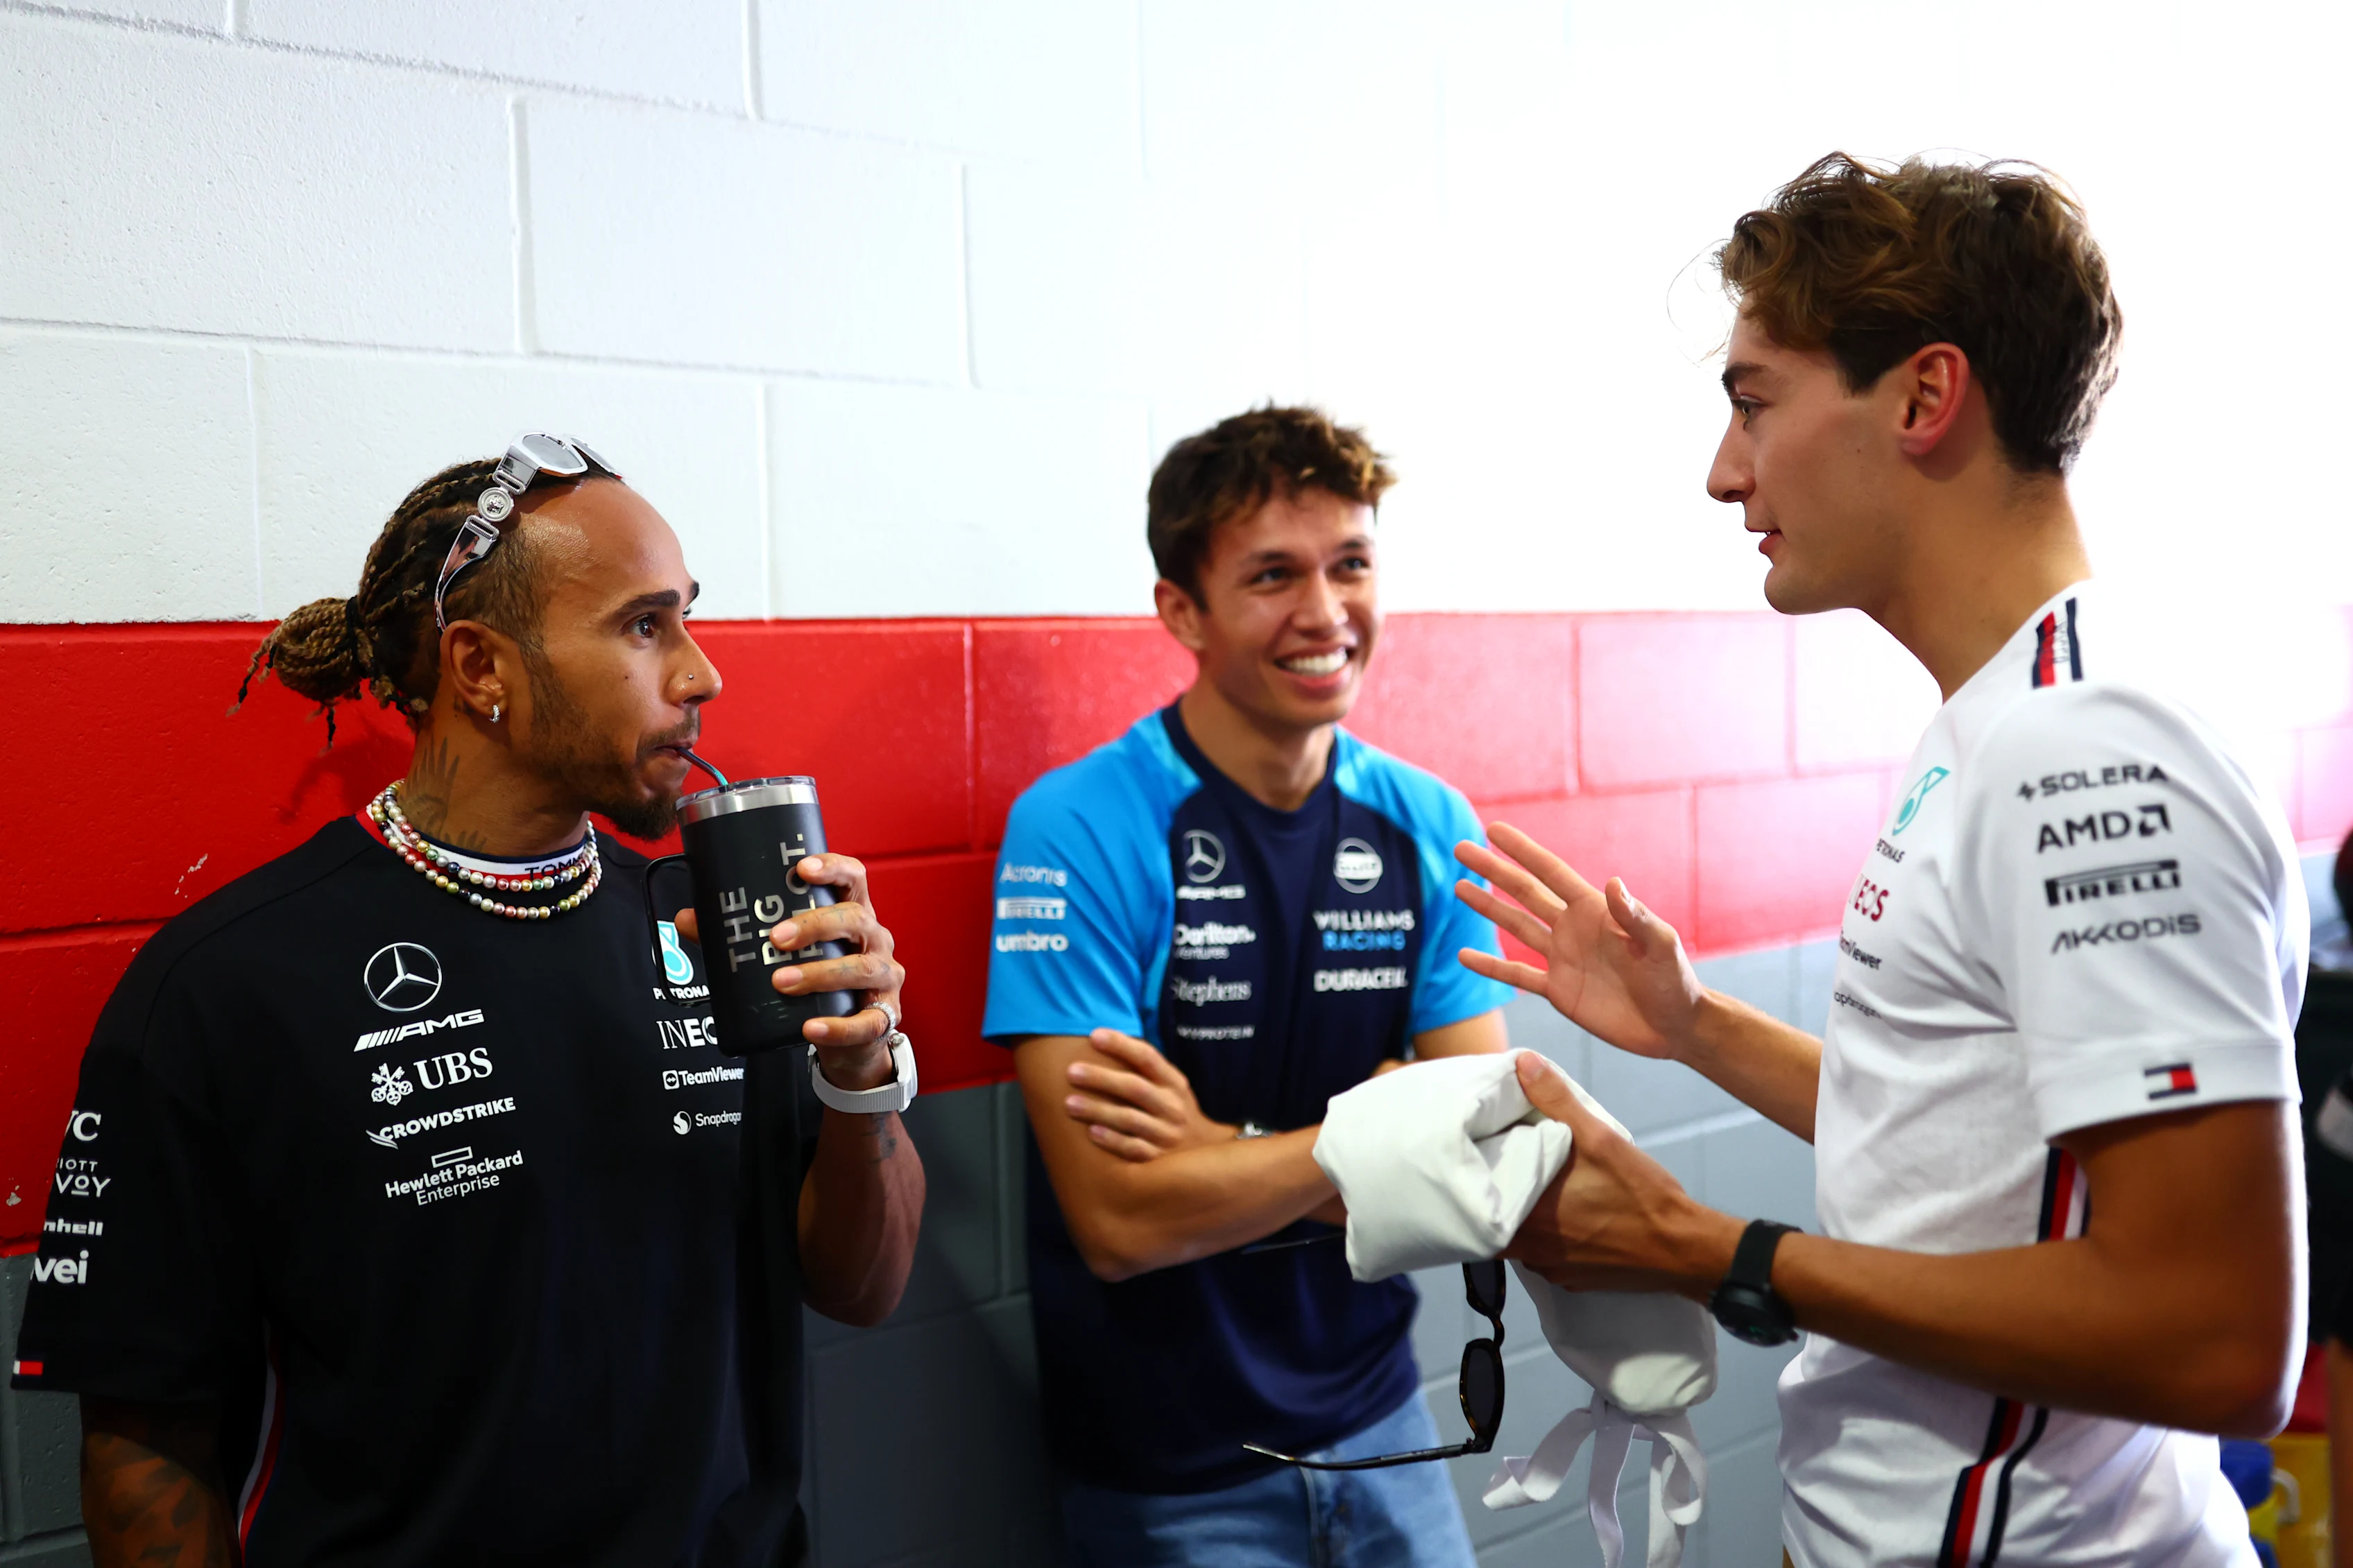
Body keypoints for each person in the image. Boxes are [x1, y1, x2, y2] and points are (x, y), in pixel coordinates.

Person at [1467, 156, 2306, 1566]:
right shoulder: (1994, 716)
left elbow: (2217, 1336)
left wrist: (1714, 1248)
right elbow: (1976, 1143)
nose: (1724, 469)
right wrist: (1693, 1030)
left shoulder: (2085, 747)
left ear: (1923, 399)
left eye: (1752, 401)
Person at [12, 436, 925, 1567]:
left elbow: (864, 1287)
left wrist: (860, 1071)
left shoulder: (712, 923)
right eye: (646, 626)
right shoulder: (227, 986)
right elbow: (147, 1450)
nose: (701, 674)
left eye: (687, 617)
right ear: (479, 667)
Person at [982, 406, 1513, 1566]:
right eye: (1273, 576)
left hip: (1385, 1432)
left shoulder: (1428, 824)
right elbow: (1119, 1222)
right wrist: (1375, 1137)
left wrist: (1220, 1144)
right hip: (1170, 1480)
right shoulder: (1080, 828)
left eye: (1351, 565)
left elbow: (1485, 1178)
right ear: (1183, 609)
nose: (1325, 614)